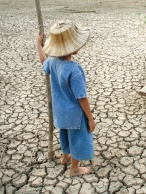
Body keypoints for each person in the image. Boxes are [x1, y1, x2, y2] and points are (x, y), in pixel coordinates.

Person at [36, 20, 95, 176]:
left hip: (60, 111)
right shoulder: (74, 70)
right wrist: (90, 118)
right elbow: (82, 97)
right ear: (74, 47)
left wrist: (39, 45)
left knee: (64, 134)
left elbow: (44, 62)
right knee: (77, 138)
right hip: (74, 114)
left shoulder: (53, 61)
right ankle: (74, 168)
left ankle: (64, 156)